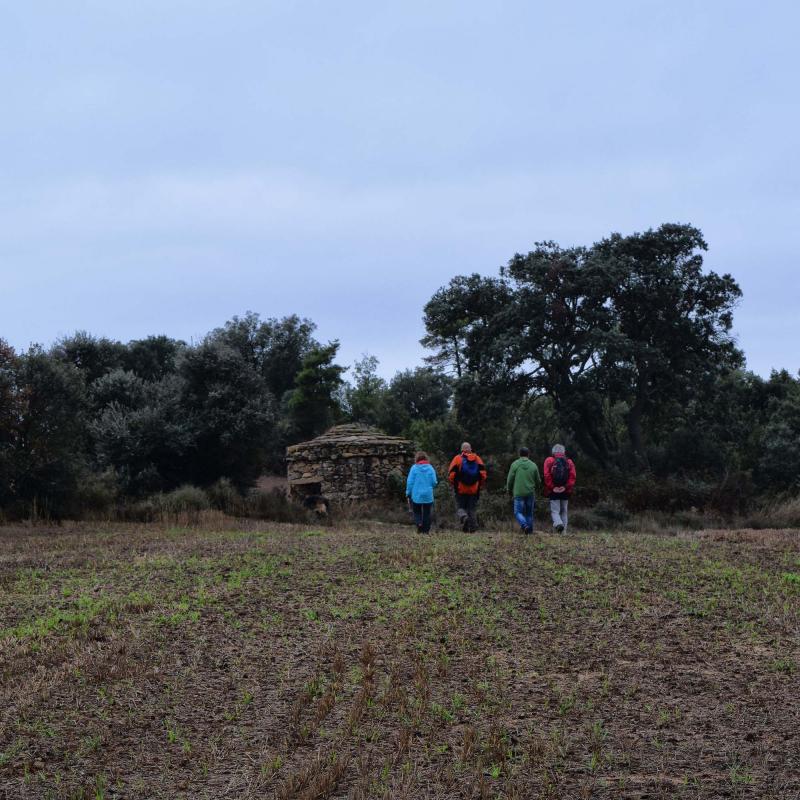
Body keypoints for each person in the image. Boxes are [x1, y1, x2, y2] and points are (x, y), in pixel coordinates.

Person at [448, 442, 487, 532]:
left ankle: (464, 517)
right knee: (471, 509)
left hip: (460, 489)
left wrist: (454, 484)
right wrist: (479, 485)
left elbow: (451, 474)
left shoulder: (457, 459)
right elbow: (483, 475)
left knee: (460, 507)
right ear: (470, 449)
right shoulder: (477, 459)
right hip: (474, 490)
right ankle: (472, 528)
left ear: (462, 450)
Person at [506, 447, 542, 534]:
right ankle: (529, 532)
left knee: (518, 512)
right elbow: (538, 481)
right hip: (530, 492)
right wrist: (538, 489)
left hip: (518, 492)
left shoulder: (515, 464)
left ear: (519, 454)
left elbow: (510, 479)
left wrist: (509, 490)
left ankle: (524, 525)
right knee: (529, 513)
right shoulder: (533, 465)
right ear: (528, 454)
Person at [543, 444, 576, 533]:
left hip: (553, 490)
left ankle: (558, 524)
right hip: (565, 490)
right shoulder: (569, 461)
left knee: (555, 511)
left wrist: (553, 487)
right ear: (563, 452)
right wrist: (565, 487)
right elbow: (573, 476)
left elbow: (546, 475)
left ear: (553, 452)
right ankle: (563, 532)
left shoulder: (549, 460)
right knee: (564, 511)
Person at [406, 451, 438, 534]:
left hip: (416, 495)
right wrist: (430, 486)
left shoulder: (414, 468)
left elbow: (410, 482)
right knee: (427, 513)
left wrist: (408, 493)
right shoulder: (430, 468)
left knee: (416, 511)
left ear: (416, 459)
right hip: (428, 495)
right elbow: (434, 482)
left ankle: (419, 524)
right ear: (426, 458)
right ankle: (426, 530)